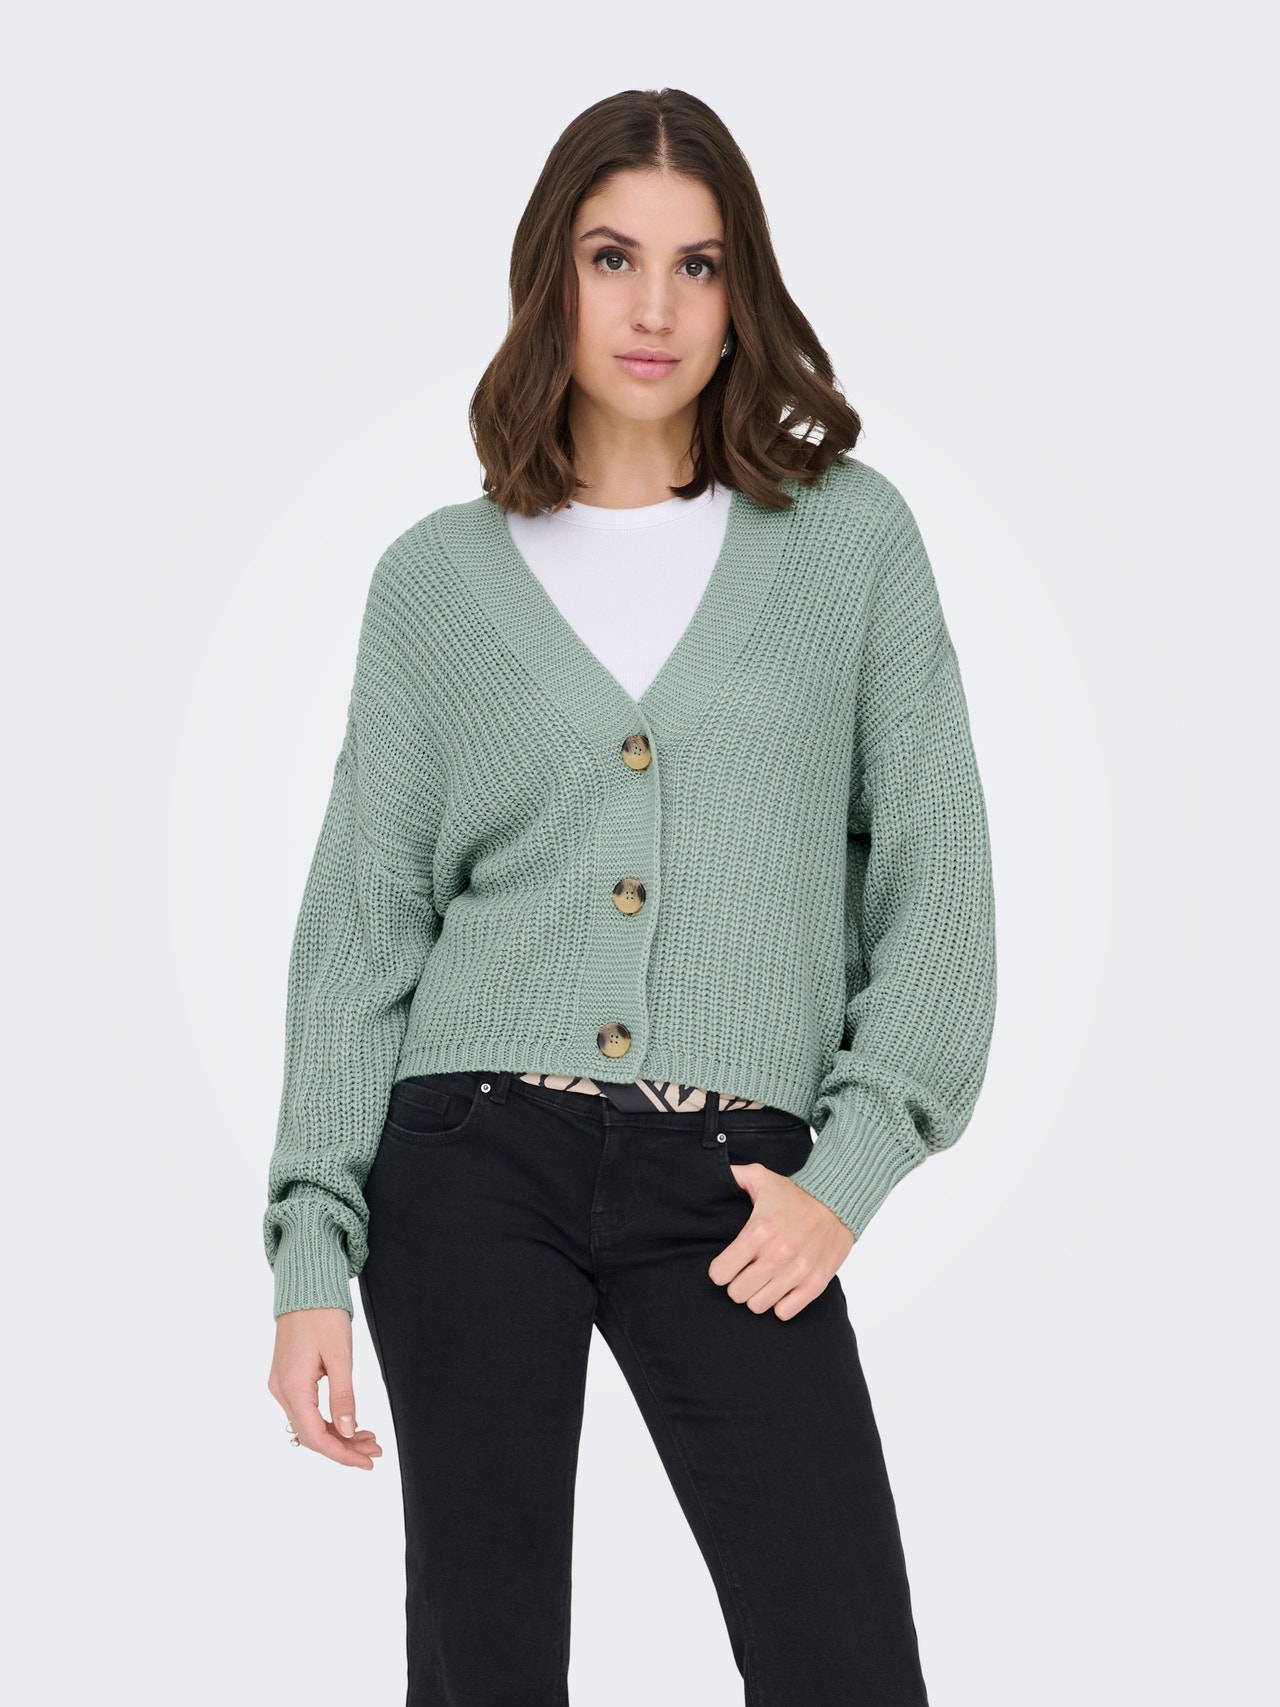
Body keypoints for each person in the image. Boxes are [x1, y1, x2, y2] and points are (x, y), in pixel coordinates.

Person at [263, 85, 997, 1707]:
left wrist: (850, 1170)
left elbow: (940, 885)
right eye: (613, 258)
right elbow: (362, 928)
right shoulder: (435, 582)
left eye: (697, 264)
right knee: (485, 1667)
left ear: (742, 295)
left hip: (738, 1186)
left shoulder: (848, 543)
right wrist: (312, 1248)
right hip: (466, 1159)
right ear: (554, 277)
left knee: (845, 1662)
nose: (654, 307)